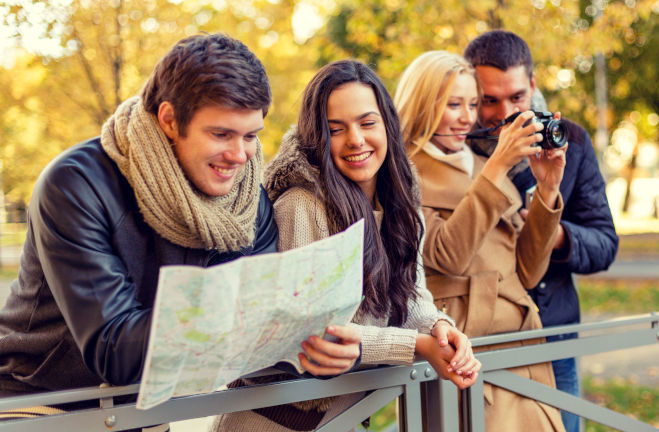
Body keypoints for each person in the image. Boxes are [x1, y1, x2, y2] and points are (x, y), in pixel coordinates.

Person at [0, 34, 278, 429]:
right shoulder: (76, 184)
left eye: (251, 136)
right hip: (39, 403)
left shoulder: (246, 199)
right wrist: (244, 316)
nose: (239, 155)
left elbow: (265, 327)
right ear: (169, 119)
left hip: (141, 410)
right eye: (221, 134)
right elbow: (116, 350)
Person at [210, 60, 480, 431]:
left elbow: (412, 294)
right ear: (318, 136)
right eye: (336, 129)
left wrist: (439, 327)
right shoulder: (300, 205)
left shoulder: (402, 203)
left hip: (343, 416)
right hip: (272, 420)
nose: (356, 139)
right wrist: (416, 346)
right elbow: (316, 333)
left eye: (367, 123)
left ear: (387, 125)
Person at [394, 50, 566, 432]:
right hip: (465, 346)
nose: (467, 117)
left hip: (523, 342)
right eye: (453, 104)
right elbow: (446, 256)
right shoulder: (401, 172)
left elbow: (528, 271)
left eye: (472, 104)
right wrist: (499, 166)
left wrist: (548, 189)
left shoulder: (478, 162)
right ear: (423, 106)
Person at [464, 31, 620, 432]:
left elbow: (604, 243)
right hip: (480, 342)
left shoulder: (573, 141)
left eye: (516, 97)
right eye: (489, 100)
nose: (504, 113)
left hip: (553, 335)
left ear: (533, 85)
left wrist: (552, 231)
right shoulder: (452, 149)